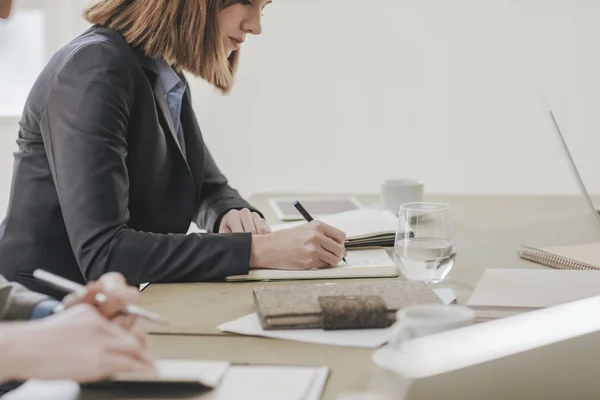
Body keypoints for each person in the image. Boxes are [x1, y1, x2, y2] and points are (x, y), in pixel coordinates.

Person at [0, 0, 347, 297]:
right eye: (246, 2)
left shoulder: (163, 72)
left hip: (109, 309)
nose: (255, 26)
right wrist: (257, 250)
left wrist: (232, 214)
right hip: (45, 316)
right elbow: (104, 254)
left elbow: (207, 187)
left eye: (263, 8)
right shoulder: (94, 70)